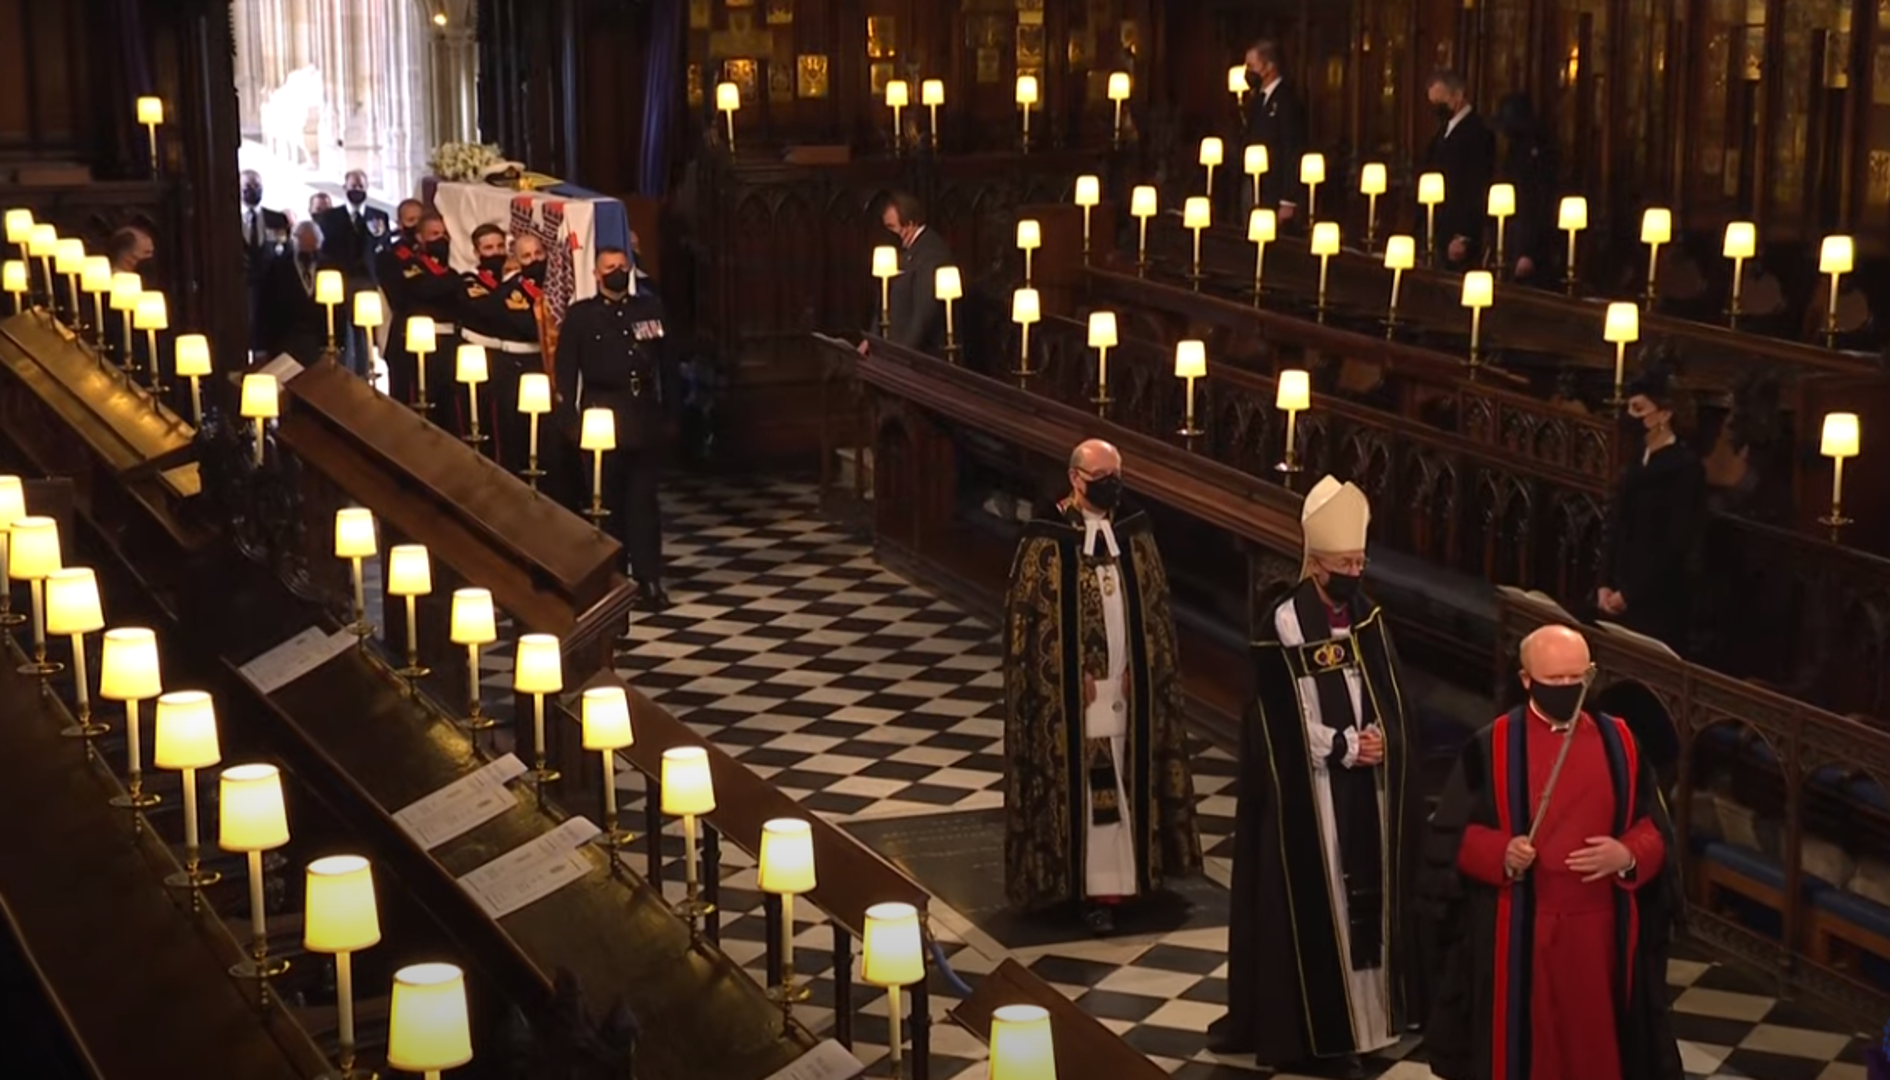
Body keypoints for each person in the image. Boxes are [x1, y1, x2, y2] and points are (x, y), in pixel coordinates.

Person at [1211, 476, 1423, 1080]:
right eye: (1346, 562)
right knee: (1322, 901)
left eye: (1361, 560)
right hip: (1317, 792)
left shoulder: (1369, 619)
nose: (1356, 571)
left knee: (1366, 906)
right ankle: (1321, 1038)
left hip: (1368, 792)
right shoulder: (1285, 622)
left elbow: (1387, 694)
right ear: (1318, 562)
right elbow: (1280, 719)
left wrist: (1386, 738)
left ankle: (1370, 1023)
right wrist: (1346, 746)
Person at [1421, 624, 1683, 1080]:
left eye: (1576, 679)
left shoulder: (1620, 741)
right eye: (1555, 680)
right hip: (1522, 929)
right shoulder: (1492, 746)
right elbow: (1450, 836)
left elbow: (1656, 828)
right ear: (1526, 680)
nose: (1567, 689)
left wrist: (1628, 855)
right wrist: (1501, 852)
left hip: (1603, 933)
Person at [1001, 439, 1202, 935]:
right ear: (1075, 478)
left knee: (1128, 788)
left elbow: (1155, 615)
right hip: (1078, 700)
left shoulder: (1134, 534)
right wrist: (1070, 679)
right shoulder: (1045, 542)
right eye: (1101, 475)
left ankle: (1133, 882)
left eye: (1117, 473)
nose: (1112, 484)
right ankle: (1088, 891)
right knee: (1092, 794)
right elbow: (1030, 630)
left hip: (1127, 689)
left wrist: (1144, 668)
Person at [554, 246, 676, 611]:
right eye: (610, 267)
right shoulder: (582, 316)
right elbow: (565, 372)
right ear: (596, 274)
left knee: (643, 503)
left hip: (641, 414)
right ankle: (611, 578)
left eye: (622, 266)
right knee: (605, 503)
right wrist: (570, 422)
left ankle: (648, 577)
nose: (617, 272)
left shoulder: (649, 310)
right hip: (600, 415)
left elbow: (667, 365)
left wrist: (671, 414)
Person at [1596, 364, 1705, 650]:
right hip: (1617, 589)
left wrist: (1630, 594)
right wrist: (1604, 584)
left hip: (1657, 601)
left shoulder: (1684, 468)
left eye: (1638, 409)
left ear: (1665, 414)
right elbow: (1617, 526)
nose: (1630, 418)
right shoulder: (1636, 461)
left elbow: (1675, 543)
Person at [461, 226, 549, 473]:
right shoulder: (511, 292)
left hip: (544, 365)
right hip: (514, 364)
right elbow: (529, 327)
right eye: (527, 256)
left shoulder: (553, 286)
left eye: (538, 254)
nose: (535, 261)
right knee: (513, 433)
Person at [383, 211, 461, 410]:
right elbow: (421, 290)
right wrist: (453, 282)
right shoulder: (409, 264)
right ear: (420, 237)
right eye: (434, 234)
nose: (441, 240)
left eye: (445, 235)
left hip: (445, 347)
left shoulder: (452, 267)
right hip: (411, 345)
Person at [857, 191, 950, 354]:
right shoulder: (903, 251)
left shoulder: (931, 252)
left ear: (910, 224)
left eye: (891, 227)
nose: (889, 233)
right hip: (892, 347)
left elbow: (923, 313)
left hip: (917, 356)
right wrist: (871, 340)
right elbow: (886, 300)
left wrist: (903, 354)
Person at [1422, 70, 1495, 271]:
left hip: (1458, 233)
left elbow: (1476, 186)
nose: (1437, 108)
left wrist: (1464, 235)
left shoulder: (1477, 133)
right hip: (1439, 227)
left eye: (1441, 101)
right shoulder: (1444, 130)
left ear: (1458, 95)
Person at [1490, 93, 1556, 285]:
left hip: (1529, 240)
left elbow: (1538, 204)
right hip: (1512, 233)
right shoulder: (1515, 150)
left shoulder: (1538, 154)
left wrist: (1528, 252)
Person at [1241, 38, 1306, 222]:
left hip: (1274, 188)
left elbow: (1292, 149)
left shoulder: (1287, 101)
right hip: (1253, 184)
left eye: (1251, 66)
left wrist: (1288, 200)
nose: (1248, 72)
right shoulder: (1257, 100)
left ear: (1269, 67)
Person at [252, 221, 331, 364]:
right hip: (285, 345)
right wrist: (261, 348)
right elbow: (264, 310)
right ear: (294, 243)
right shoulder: (276, 269)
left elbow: (338, 310)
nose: (308, 258)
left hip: (320, 344)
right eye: (304, 252)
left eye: (313, 252)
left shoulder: (330, 269)